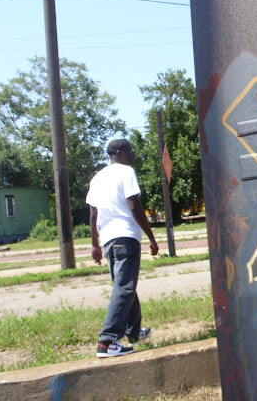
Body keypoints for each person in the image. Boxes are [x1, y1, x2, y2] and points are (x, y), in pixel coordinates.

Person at [86, 139, 159, 358]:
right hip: (126, 237)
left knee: (124, 286)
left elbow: (93, 216)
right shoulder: (126, 172)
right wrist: (151, 237)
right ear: (119, 152)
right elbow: (134, 206)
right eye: (130, 150)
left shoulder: (97, 179)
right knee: (124, 288)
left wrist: (95, 245)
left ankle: (133, 332)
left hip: (108, 240)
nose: (133, 154)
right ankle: (107, 341)